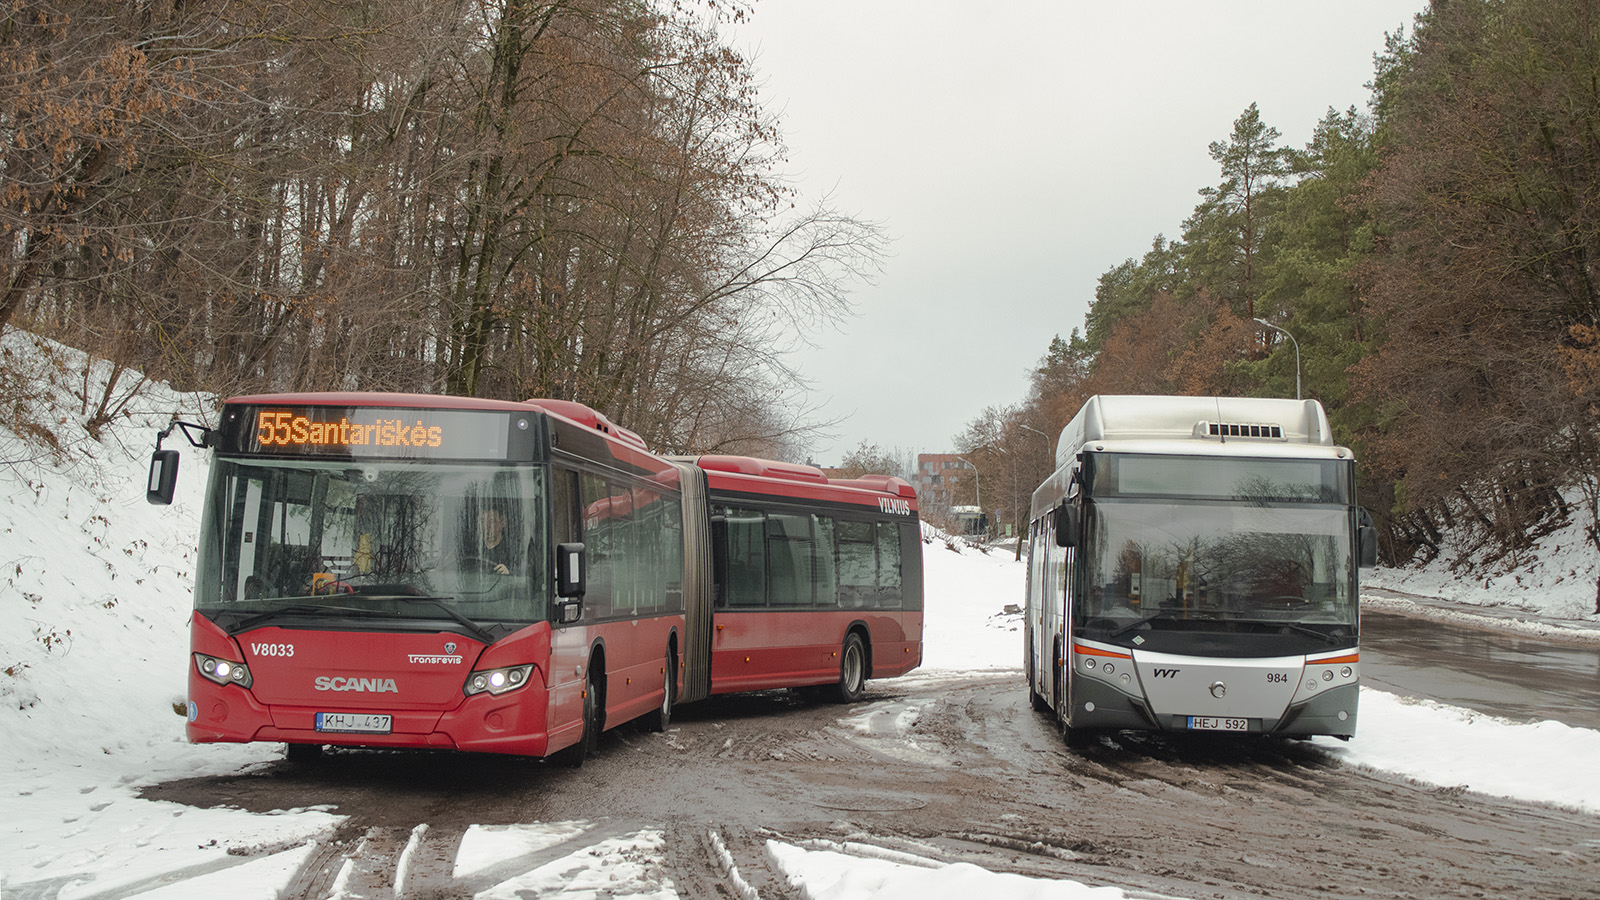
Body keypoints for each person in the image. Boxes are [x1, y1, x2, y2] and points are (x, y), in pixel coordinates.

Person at [477, 507, 516, 575]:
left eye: (491, 521)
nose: (486, 526)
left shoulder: (514, 551)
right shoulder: (472, 549)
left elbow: (523, 577)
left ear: (503, 523)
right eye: (482, 521)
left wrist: (509, 574)